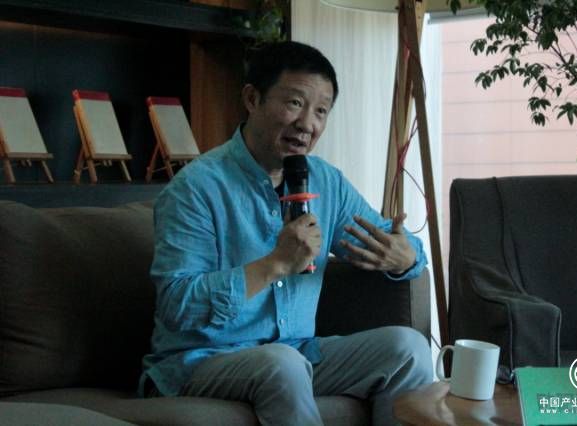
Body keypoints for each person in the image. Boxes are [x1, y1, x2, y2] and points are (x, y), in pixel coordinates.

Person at [139, 41, 433, 426]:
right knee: (283, 364)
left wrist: (405, 257)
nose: (308, 124)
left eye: (321, 111)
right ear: (252, 99)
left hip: (297, 351)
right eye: (295, 103)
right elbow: (178, 306)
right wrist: (274, 264)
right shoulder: (195, 189)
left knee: (407, 349)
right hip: (202, 361)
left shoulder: (327, 182)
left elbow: (395, 242)